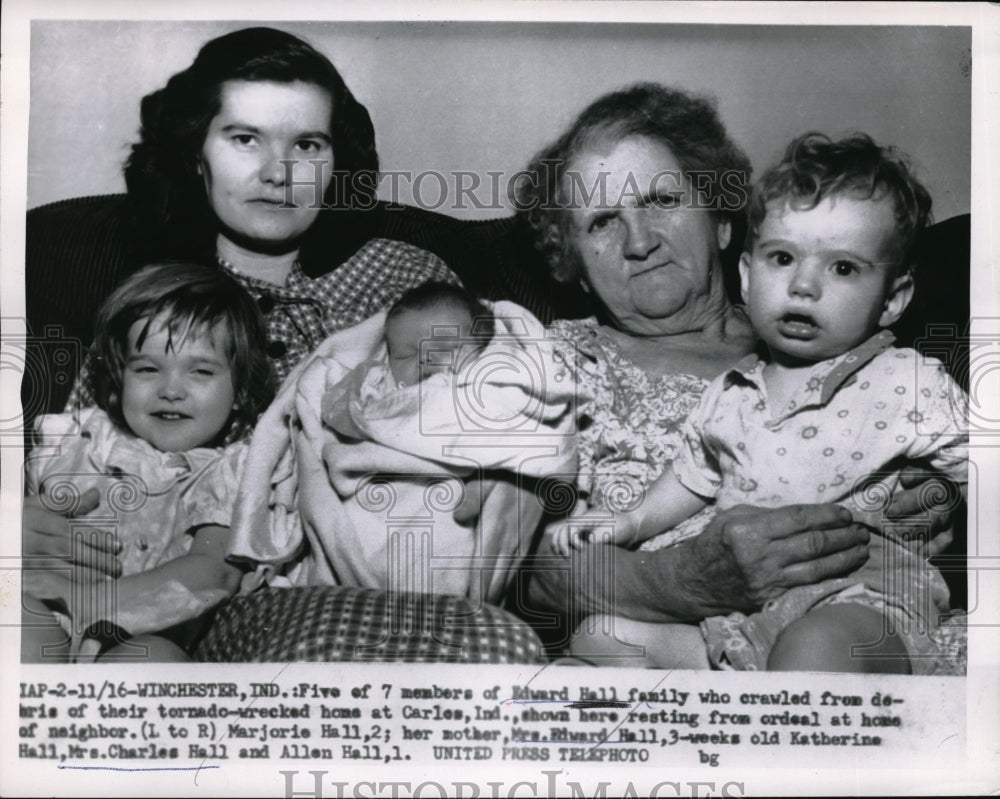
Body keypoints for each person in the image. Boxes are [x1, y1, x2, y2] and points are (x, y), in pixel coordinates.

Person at [515, 84, 960, 670]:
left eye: (661, 200)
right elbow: (530, 569)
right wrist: (684, 579)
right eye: (602, 222)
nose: (640, 241)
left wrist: (938, 489)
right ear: (572, 264)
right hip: (682, 640)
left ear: (722, 223)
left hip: (854, 608)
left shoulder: (841, 333)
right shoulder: (552, 362)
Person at [24, 27, 459, 602]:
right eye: (245, 139)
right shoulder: (154, 295)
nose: (278, 173)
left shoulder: (408, 281)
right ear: (195, 155)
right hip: (146, 576)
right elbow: (83, 449)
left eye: (307, 145)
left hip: (344, 583)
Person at [22, 263, 273, 662]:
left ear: (241, 389)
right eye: (147, 369)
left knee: (155, 663)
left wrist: (90, 601)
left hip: (142, 630)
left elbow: (214, 570)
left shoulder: (225, 470)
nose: (171, 389)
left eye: (201, 371)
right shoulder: (80, 435)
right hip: (44, 604)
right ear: (119, 378)